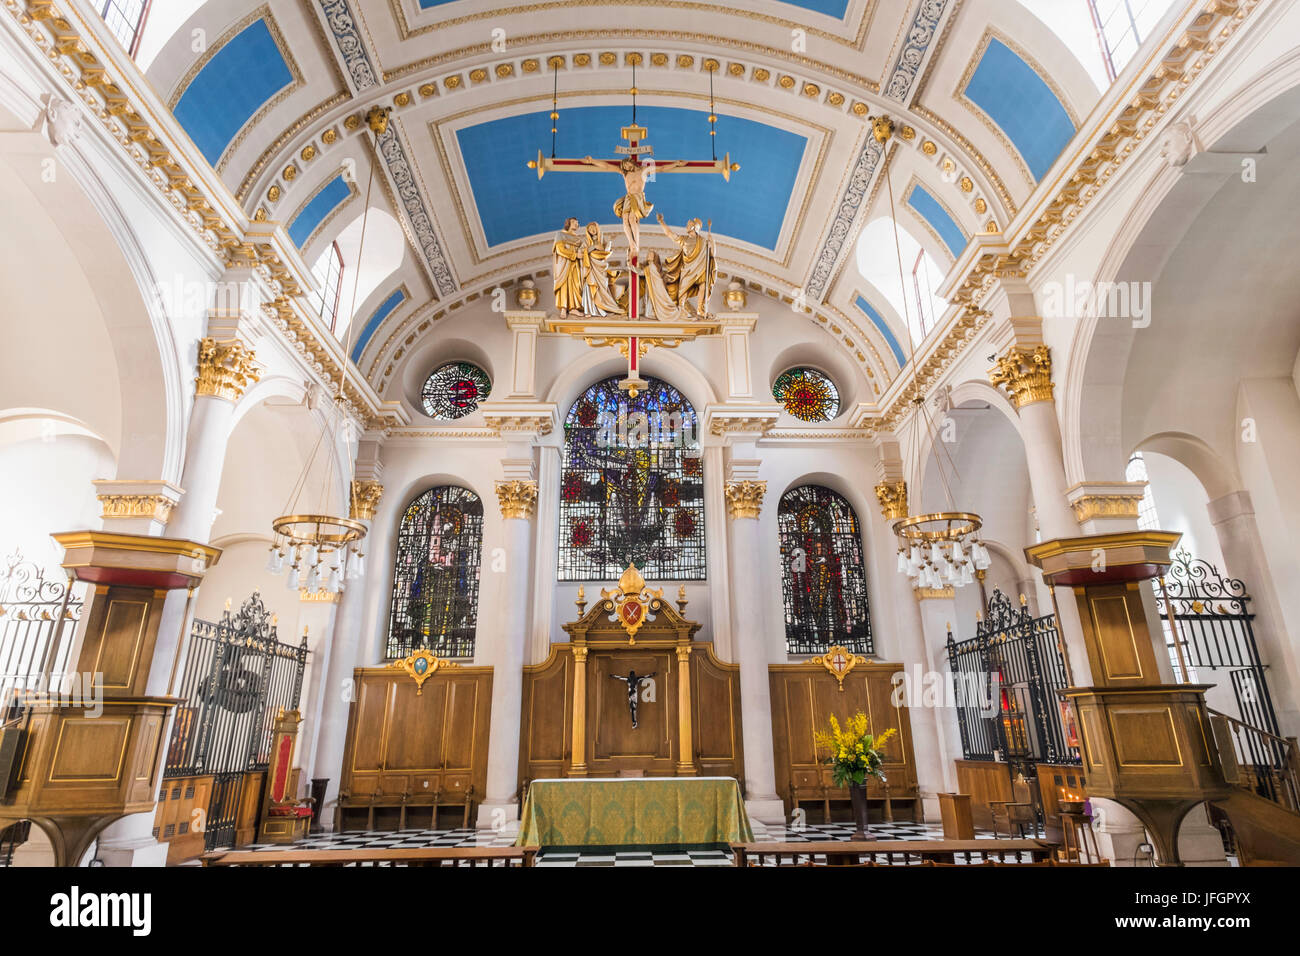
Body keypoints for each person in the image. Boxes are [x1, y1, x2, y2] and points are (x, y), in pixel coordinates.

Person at [551, 217, 583, 318]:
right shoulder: (560, 235)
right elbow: (560, 250)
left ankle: (573, 308)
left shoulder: (578, 239)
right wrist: (574, 255)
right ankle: (563, 308)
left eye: (576, 222)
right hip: (564, 263)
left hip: (575, 265)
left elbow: (582, 251)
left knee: (575, 284)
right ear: (568, 223)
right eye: (573, 222)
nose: (575, 224)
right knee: (564, 283)